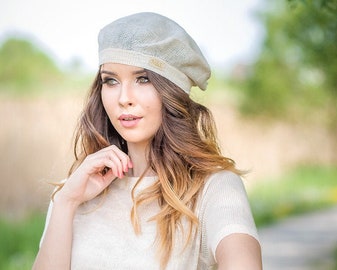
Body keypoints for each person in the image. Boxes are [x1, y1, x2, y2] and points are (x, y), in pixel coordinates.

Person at [33, 12, 262, 270]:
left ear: (172, 90)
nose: (123, 98)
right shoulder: (71, 193)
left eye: (143, 79)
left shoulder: (213, 188)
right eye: (110, 80)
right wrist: (66, 202)